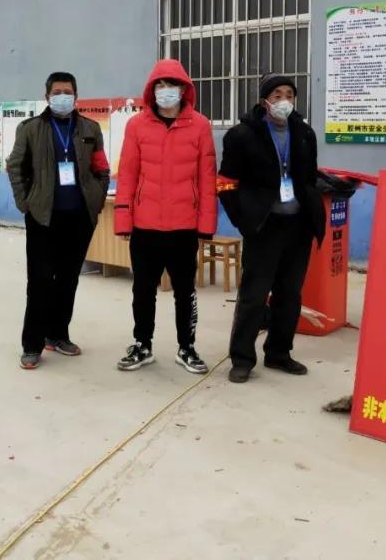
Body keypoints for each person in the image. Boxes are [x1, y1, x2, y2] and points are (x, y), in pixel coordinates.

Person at [217, 74, 326, 383]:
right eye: (277, 94)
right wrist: (244, 220)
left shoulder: (304, 133)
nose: (284, 101)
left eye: (289, 94)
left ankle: (279, 353)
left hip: (298, 226)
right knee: (254, 295)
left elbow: (309, 177)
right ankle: (242, 358)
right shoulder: (242, 135)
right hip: (264, 226)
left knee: (289, 294)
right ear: (265, 100)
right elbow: (225, 183)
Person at [113, 59, 217, 374]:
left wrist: (206, 225)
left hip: (184, 227)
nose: (166, 90)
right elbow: (127, 175)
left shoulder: (200, 125)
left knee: (185, 292)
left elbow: (207, 178)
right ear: (151, 89)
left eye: (172, 84)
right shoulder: (136, 126)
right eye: (160, 85)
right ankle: (142, 344)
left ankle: (187, 347)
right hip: (145, 227)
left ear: (183, 89)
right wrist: (123, 219)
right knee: (143, 291)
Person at [6, 72, 111, 370]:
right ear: (47, 96)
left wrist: (96, 199)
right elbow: (15, 167)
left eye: (67, 92)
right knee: (39, 281)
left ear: (75, 97)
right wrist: (26, 203)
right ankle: (32, 344)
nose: (62, 96)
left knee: (68, 279)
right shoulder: (30, 129)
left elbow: (101, 168)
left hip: (79, 218)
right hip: (43, 218)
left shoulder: (90, 128)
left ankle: (58, 335)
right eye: (57, 92)